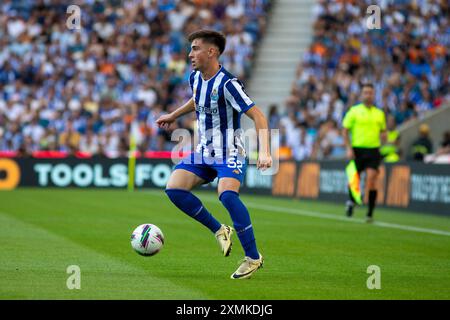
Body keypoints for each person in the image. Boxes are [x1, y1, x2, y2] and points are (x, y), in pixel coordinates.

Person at [156, 30, 272, 279]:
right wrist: (173, 115)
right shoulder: (195, 77)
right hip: (204, 151)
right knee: (174, 189)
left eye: (195, 48)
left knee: (227, 195)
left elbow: (258, 115)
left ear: (212, 51)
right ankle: (220, 230)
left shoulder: (229, 83)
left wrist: (264, 151)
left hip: (230, 150)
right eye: (191, 49)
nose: (190, 54)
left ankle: (253, 258)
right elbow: (198, 101)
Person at [342, 83, 386, 223]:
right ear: (362, 94)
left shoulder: (379, 114)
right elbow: (345, 130)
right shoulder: (354, 111)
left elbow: (383, 131)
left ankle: (370, 212)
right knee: (355, 178)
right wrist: (348, 148)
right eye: (366, 92)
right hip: (357, 149)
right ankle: (351, 201)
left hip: (373, 150)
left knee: (372, 179)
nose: (368, 95)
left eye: (370, 92)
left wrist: (384, 140)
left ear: (374, 95)